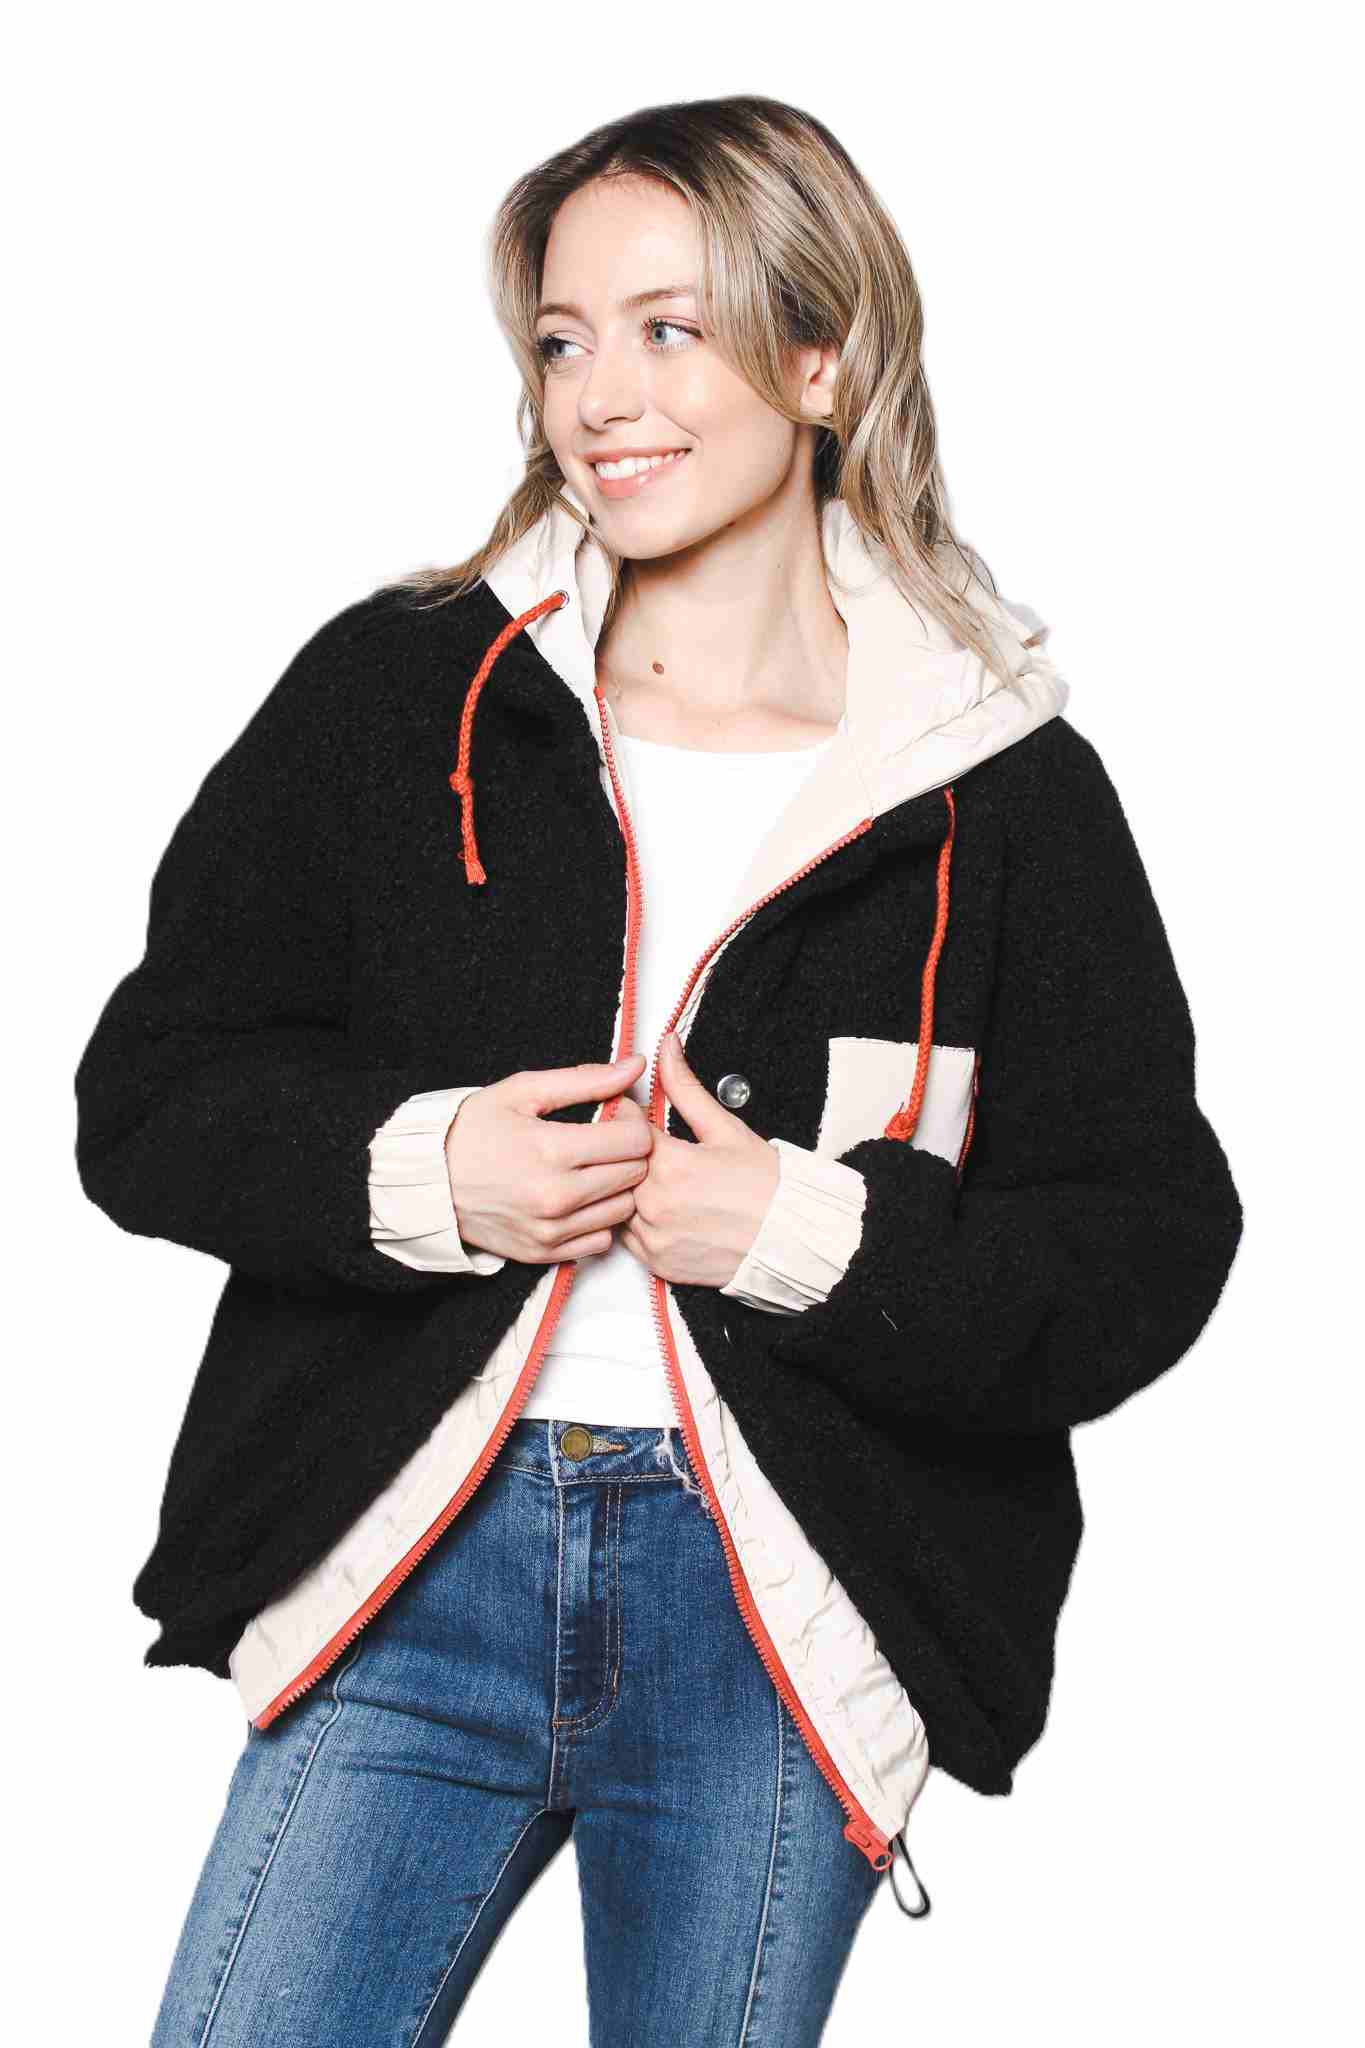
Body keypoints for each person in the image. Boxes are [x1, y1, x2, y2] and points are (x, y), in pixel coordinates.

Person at [74, 94, 1244, 2045]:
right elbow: (148, 1094)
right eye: (561, 338)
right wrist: (427, 1172)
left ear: (821, 360)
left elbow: (1139, 1245)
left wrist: (801, 1235)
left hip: (774, 1616)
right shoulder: (403, 696)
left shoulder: (997, 790)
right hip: (406, 1571)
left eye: (668, 329)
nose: (598, 396)